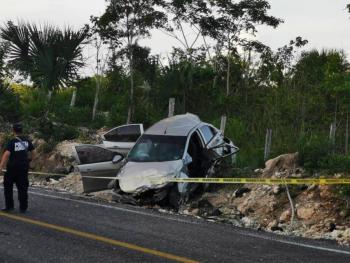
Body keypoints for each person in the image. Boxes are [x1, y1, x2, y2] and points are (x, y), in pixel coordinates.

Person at [0, 123, 34, 213]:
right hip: (23, 168)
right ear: (22, 130)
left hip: (12, 169)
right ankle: (23, 208)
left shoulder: (12, 142)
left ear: (13, 131)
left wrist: (1, 166)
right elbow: (32, 151)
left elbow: (7, 154)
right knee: (23, 188)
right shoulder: (27, 141)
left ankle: (9, 207)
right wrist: (29, 160)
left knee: (8, 188)